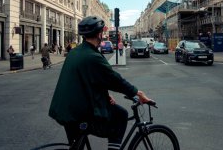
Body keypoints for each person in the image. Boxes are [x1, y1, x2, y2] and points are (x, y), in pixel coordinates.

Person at [49, 16, 152, 150]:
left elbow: (86, 80)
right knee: (121, 115)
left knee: (76, 146)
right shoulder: (93, 57)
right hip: (78, 113)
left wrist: (105, 95)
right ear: (99, 34)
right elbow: (114, 80)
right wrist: (138, 93)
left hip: (63, 110)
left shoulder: (75, 52)